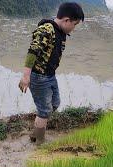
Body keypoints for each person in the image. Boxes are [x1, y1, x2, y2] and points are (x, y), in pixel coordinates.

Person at [18, 2, 84, 145]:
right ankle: (40, 143)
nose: (74, 28)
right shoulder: (46, 30)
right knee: (44, 111)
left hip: (50, 76)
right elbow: (32, 52)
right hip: (39, 77)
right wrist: (25, 76)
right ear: (66, 20)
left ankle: (35, 134)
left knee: (55, 103)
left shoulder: (60, 31)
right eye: (75, 24)